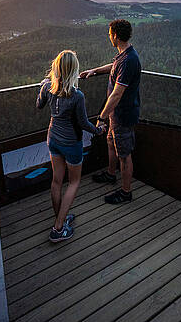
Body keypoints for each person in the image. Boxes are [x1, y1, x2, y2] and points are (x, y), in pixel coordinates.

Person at [37, 49, 99, 242]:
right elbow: (83, 123)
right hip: (71, 143)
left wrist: (41, 87)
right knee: (73, 182)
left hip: (53, 139)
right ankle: (58, 229)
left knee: (56, 181)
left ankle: (61, 220)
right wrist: (99, 130)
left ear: (56, 68)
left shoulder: (47, 86)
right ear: (74, 70)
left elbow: (39, 105)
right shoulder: (77, 95)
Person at [81, 19, 141, 205]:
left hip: (123, 115)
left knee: (124, 154)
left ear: (115, 35)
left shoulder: (129, 60)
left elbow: (116, 94)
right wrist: (95, 70)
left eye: (109, 34)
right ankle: (110, 174)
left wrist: (101, 117)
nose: (109, 37)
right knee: (111, 143)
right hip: (116, 116)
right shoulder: (123, 55)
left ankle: (126, 192)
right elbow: (113, 67)